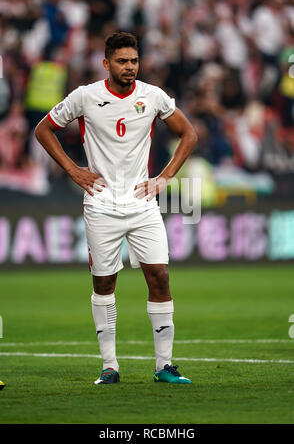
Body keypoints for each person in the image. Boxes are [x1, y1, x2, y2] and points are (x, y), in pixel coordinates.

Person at [34, 32, 198, 385]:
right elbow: (44, 129)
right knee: (105, 282)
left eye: (134, 61)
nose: (130, 68)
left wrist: (165, 177)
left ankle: (164, 366)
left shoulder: (152, 96)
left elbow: (189, 134)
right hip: (101, 203)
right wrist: (73, 169)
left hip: (142, 203)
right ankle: (110, 365)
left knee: (160, 276)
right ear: (106, 63)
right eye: (122, 61)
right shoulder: (86, 96)